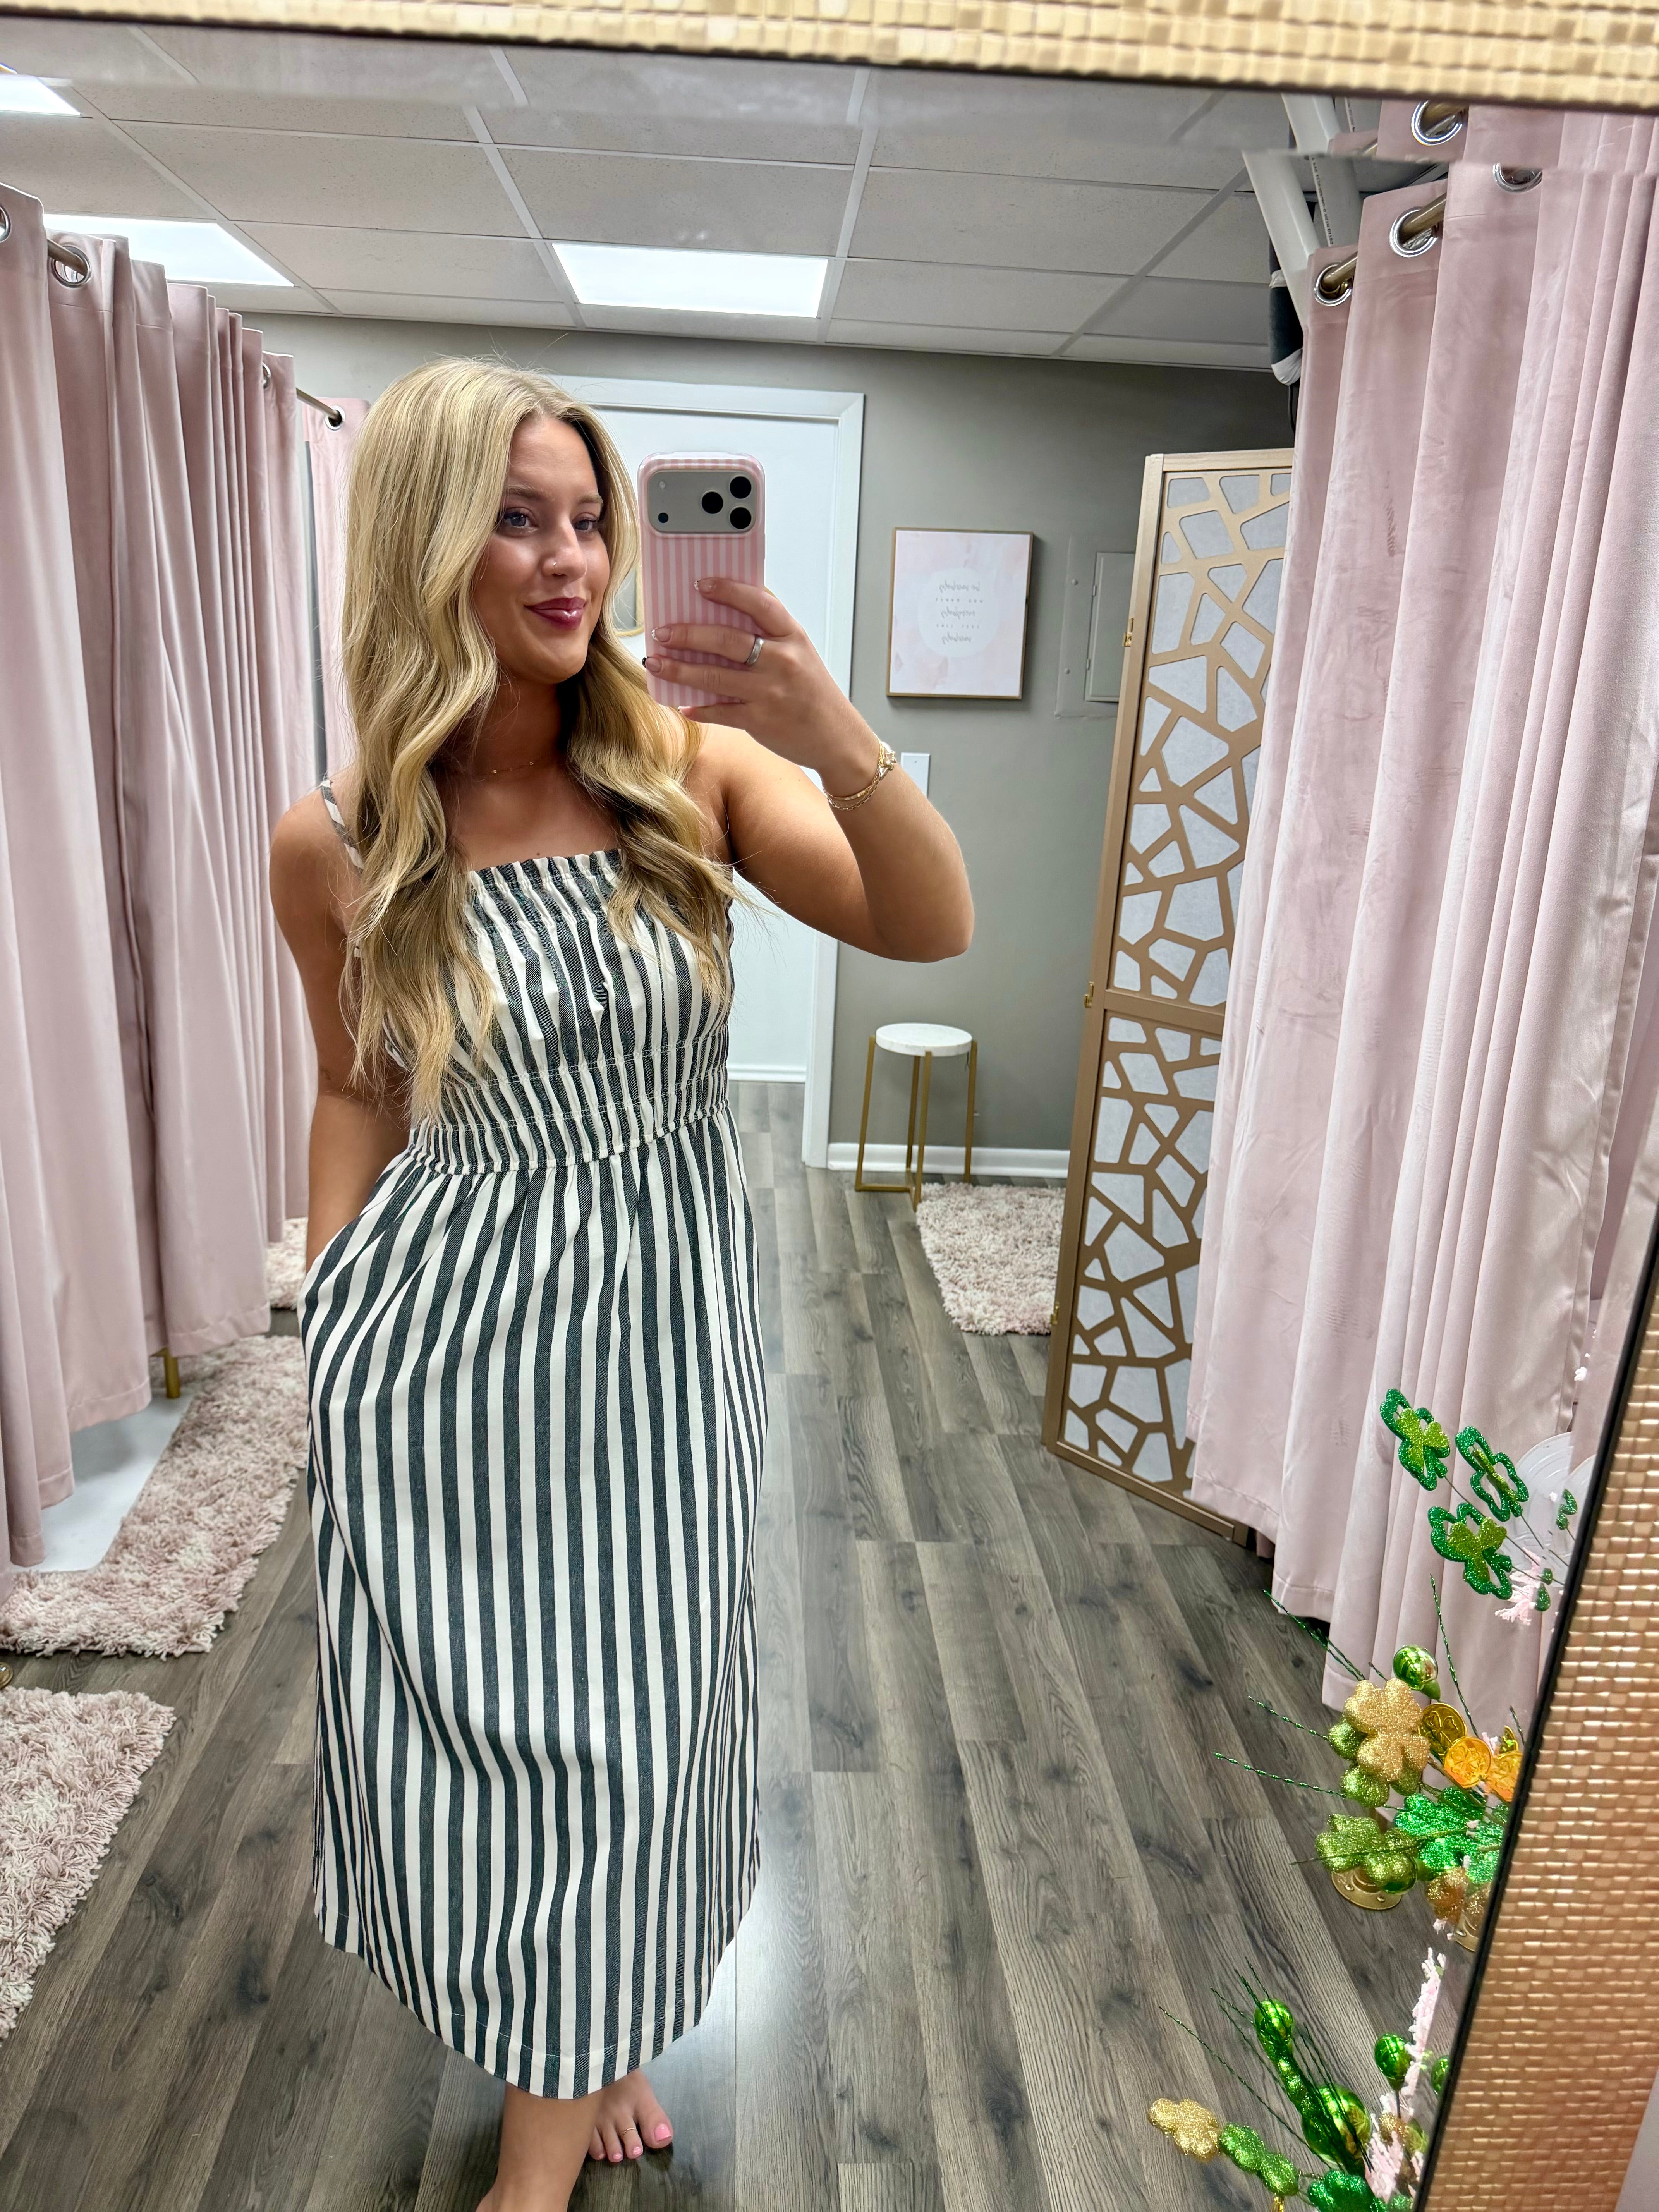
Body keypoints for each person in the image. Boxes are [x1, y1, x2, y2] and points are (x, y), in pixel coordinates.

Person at [269, 357, 973, 2212]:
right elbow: (354, 1088)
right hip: (445, 1339)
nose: (570, 557)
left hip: (660, 1328)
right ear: (424, 540)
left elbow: (932, 923)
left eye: (589, 517)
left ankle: (557, 2108)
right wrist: (333, 1307)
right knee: (490, 1730)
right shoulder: (337, 838)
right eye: (516, 518)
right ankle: (573, 2058)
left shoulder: (694, 771)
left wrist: (825, 724)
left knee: (637, 1719)